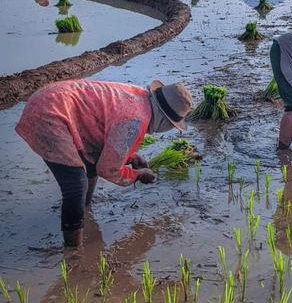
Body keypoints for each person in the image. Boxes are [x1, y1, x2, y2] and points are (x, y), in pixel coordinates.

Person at [15, 78, 193, 247]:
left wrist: (130, 156)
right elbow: (108, 170)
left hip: (51, 96)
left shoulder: (139, 98)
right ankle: (74, 251)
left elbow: (106, 131)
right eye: (171, 124)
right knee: (75, 185)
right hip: (48, 114)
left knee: (90, 160)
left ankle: (85, 208)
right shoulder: (134, 121)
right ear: (163, 119)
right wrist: (137, 175)